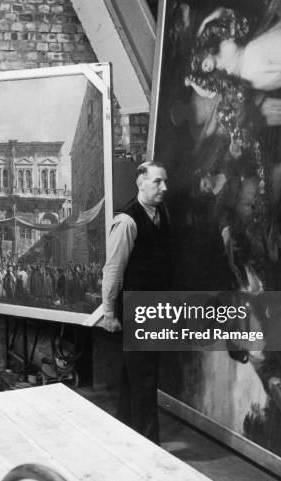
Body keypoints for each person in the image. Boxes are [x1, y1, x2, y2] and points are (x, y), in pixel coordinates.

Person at [99, 161, 173, 443]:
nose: (164, 187)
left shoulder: (161, 212)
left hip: (155, 308)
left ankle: (123, 436)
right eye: (157, 182)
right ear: (140, 182)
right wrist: (109, 312)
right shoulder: (127, 221)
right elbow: (113, 270)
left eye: (164, 182)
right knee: (144, 380)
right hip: (136, 311)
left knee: (136, 377)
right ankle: (148, 445)